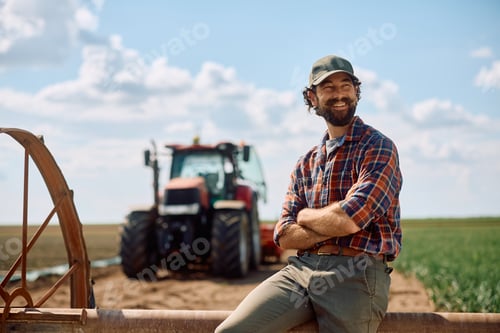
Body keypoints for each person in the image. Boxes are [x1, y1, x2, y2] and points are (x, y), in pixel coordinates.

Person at [215, 55, 403, 333]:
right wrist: (332, 222)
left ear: (356, 91)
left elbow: (351, 218)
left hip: (355, 270)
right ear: (312, 97)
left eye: (346, 85)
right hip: (301, 270)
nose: (339, 94)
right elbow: (284, 234)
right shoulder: (306, 163)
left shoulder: (378, 147)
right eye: (327, 87)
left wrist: (305, 216)